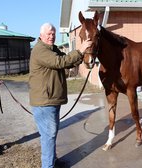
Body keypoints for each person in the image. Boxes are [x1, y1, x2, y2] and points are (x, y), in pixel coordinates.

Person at [29, 23, 92, 168]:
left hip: (51, 99)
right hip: (45, 101)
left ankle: (53, 161)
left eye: (53, 34)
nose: (51, 36)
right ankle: (48, 165)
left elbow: (67, 62)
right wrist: (80, 50)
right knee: (48, 136)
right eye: (49, 34)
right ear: (41, 35)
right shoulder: (40, 50)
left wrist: (83, 55)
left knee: (51, 135)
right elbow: (60, 62)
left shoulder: (52, 49)